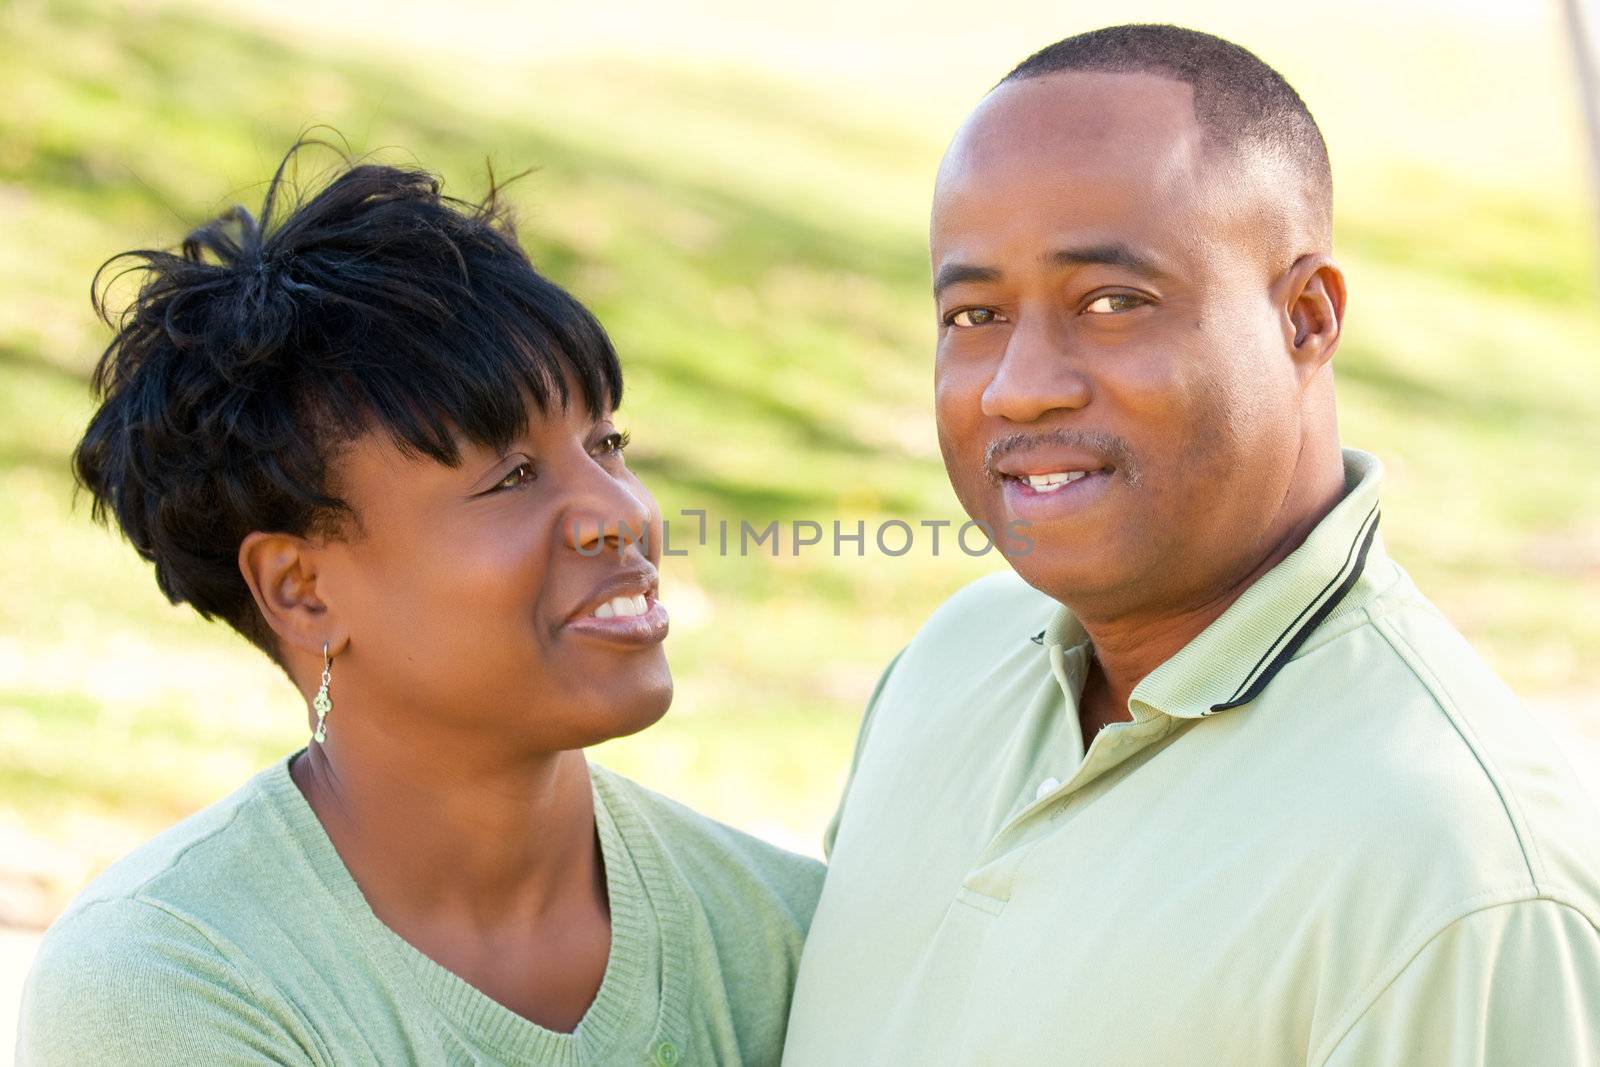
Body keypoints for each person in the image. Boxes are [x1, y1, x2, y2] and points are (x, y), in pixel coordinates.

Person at [782, 24, 1600, 1065]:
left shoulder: (1457, 873)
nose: (1018, 384)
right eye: (975, 312)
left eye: (1112, 302)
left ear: (1305, 317)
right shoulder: (949, 662)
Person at [17, 146, 822, 1066]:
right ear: (301, 590)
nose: (620, 512)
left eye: (607, 442)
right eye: (514, 477)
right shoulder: (166, 983)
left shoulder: (782, 934)